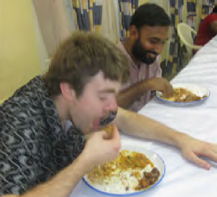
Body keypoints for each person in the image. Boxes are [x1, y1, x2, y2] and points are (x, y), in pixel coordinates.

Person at [1, 32, 217, 197]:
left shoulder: (78, 99)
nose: (112, 107)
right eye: (104, 96)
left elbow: (126, 118)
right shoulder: (19, 122)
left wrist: (183, 140)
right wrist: (84, 163)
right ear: (68, 90)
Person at [117, 3, 174, 112]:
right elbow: (107, 109)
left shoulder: (152, 56)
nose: (159, 50)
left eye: (163, 43)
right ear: (134, 33)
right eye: (153, 41)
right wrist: (145, 85)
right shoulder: (108, 60)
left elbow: (157, 95)